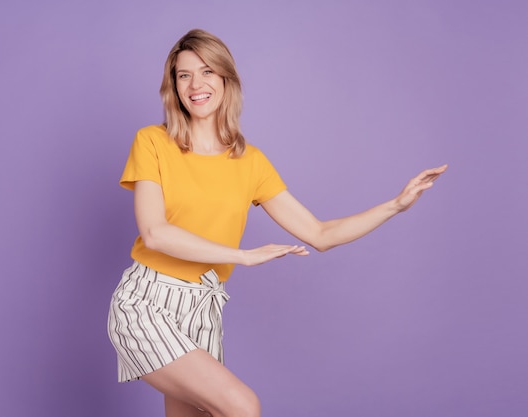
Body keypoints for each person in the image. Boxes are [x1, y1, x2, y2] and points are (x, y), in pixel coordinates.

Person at [108, 28, 447, 417]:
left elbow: (320, 234)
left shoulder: (250, 162)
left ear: (225, 80)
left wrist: (396, 206)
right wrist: (242, 256)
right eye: (184, 75)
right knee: (242, 406)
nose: (196, 84)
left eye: (206, 72)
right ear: (174, 86)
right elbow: (155, 233)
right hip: (148, 303)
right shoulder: (153, 141)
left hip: (204, 310)